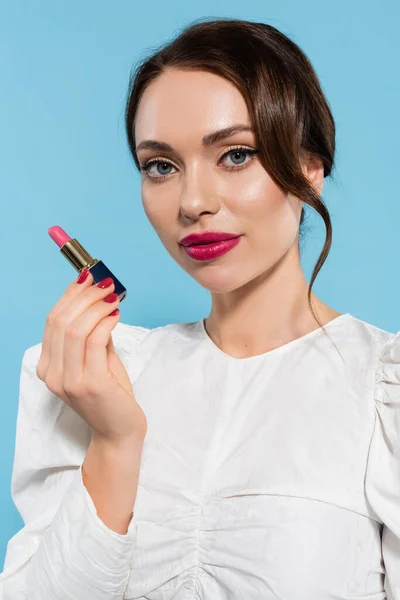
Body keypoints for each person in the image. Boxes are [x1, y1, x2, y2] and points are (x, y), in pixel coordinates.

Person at [1, 16, 399, 600]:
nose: (192, 202)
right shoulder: (92, 379)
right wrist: (115, 443)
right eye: (160, 166)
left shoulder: (383, 388)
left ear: (310, 169)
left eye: (236, 155)